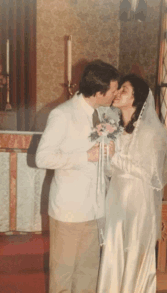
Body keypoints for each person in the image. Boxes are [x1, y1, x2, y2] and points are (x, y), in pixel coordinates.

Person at [35, 59, 119, 293]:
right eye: (112, 90)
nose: (115, 94)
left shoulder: (103, 115)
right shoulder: (63, 114)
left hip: (94, 208)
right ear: (99, 91)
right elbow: (42, 158)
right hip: (69, 210)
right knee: (64, 274)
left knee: (88, 273)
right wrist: (86, 156)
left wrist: (109, 155)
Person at [97, 74, 167, 293]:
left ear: (136, 98)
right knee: (113, 248)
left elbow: (150, 174)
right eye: (119, 89)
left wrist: (115, 157)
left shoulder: (150, 133)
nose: (118, 93)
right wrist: (104, 157)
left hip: (137, 199)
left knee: (133, 250)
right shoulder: (114, 129)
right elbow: (109, 170)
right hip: (116, 196)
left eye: (124, 90)